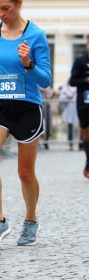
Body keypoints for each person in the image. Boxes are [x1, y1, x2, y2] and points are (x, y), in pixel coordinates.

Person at [0, 0, 51, 246]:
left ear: (19, 3)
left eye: (5, 8)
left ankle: (30, 221)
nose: (1, 14)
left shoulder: (37, 35)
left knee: (25, 173)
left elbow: (46, 81)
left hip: (27, 106)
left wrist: (28, 63)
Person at [69, 35, 89, 178]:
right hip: (84, 101)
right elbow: (72, 81)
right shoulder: (80, 61)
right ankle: (88, 162)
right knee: (86, 132)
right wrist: (85, 80)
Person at [59, 84, 78, 151]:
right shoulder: (65, 88)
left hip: (77, 109)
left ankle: (81, 144)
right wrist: (67, 96)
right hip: (69, 110)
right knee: (70, 127)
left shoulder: (79, 86)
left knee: (81, 126)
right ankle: (71, 144)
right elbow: (61, 98)